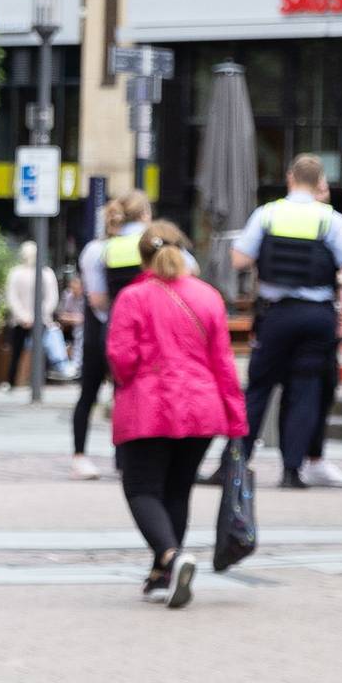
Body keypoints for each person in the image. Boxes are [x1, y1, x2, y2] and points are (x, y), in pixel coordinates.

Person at [104, 222, 247, 610]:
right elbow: (223, 362)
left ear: (142, 257)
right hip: (202, 409)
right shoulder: (208, 296)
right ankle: (162, 574)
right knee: (177, 490)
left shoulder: (133, 298)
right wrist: (236, 418)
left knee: (141, 489)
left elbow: (122, 359)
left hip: (150, 407)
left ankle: (170, 555)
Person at [232, 154, 342, 489]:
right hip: (317, 315)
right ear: (320, 180)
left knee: (260, 388)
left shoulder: (268, 214)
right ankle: (293, 470)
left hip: (276, 313)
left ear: (290, 176)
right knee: (305, 390)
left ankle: (235, 464)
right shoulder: (329, 220)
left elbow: (239, 259)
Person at [71, 192, 153, 480]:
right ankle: (123, 459)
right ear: (144, 215)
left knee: (88, 394)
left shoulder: (97, 250)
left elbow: (96, 299)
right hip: (137, 333)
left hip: (100, 329)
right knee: (125, 395)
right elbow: (189, 266)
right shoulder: (151, 245)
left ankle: (80, 456)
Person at [2, 241, 50, 391]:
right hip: (19, 321)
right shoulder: (16, 273)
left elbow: (51, 298)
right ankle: (11, 380)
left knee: (41, 350)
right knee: (16, 350)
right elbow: (12, 297)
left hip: (40, 319)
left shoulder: (46, 273)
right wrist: (23, 316)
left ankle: (39, 380)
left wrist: (38, 316)